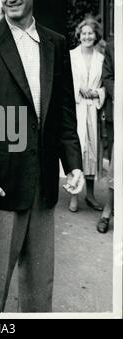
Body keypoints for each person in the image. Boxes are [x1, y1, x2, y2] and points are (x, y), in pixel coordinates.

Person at [0, 0, 84, 313]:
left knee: (39, 288)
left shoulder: (56, 43)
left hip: (44, 184)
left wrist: (73, 164)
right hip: (1, 183)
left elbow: (64, 110)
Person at [69, 17, 105, 212]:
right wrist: (79, 89)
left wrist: (98, 93)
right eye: (84, 33)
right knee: (77, 149)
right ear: (79, 35)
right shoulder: (71, 56)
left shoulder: (102, 58)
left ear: (96, 35)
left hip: (94, 110)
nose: (87, 36)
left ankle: (90, 195)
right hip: (77, 107)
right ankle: (74, 195)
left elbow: (106, 83)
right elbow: (65, 81)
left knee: (92, 150)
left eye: (91, 33)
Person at [97, 41, 114, 233]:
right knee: (117, 166)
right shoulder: (113, 47)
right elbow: (107, 77)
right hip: (118, 113)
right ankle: (107, 212)